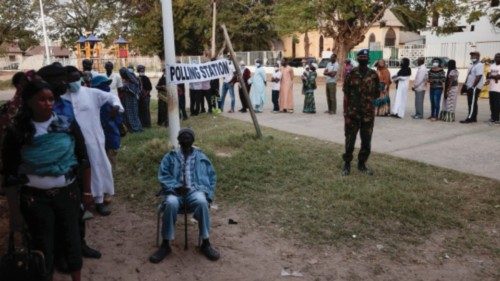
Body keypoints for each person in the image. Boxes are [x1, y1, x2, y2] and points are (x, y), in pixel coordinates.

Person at [2, 81, 90, 281]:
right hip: (34, 200)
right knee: (43, 245)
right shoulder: (17, 132)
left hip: (67, 194)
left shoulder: (67, 124)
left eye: (51, 99)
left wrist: (87, 191)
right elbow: (9, 173)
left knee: (72, 240)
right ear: (29, 102)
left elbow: (83, 159)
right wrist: (14, 211)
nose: (48, 103)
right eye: (42, 99)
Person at [149, 128, 220, 263]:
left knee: (202, 202)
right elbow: (163, 175)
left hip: (195, 190)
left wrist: (209, 195)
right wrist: (175, 186)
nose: (185, 140)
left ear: (193, 140)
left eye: (188, 137)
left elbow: (212, 176)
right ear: (178, 140)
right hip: (175, 192)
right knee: (170, 203)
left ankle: (206, 243)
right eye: (183, 137)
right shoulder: (170, 156)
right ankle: (166, 244)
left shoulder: (201, 157)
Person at [63, 65, 123, 215]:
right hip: (70, 142)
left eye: (76, 78)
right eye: (70, 80)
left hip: (92, 139)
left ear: (81, 78)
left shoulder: (92, 93)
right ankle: (78, 205)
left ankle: (99, 201)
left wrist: (116, 107)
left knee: (97, 168)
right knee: (75, 171)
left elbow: (112, 97)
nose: (74, 82)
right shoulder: (61, 98)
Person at [341, 49, 380, 176]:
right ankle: (347, 164)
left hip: (368, 115)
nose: (363, 59)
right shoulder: (351, 73)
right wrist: (346, 114)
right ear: (358, 59)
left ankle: (362, 164)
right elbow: (346, 95)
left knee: (366, 141)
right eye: (361, 57)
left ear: (368, 60)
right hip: (352, 114)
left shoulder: (374, 75)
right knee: (350, 141)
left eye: (365, 57)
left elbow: (376, 94)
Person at [90, 75, 123, 167]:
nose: (107, 87)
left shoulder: (110, 99)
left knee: (111, 154)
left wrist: (115, 110)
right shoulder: (93, 101)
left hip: (111, 133)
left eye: (107, 85)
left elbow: (119, 110)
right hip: (100, 134)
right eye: (104, 85)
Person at [460, 51, 484, 123]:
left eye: (474, 56)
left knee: (472, 103)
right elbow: (469, 76)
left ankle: (470, 118)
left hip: (474, 87)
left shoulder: (479, 65)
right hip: (469, 86)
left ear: (478, 57)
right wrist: (465, 84)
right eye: (471, 56)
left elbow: (479, 76)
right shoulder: (471, 65)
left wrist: (473, 86)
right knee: (471, 102)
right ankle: (473, 118)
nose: (472, 57)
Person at [119, 67, 143, 132]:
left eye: (122, 74)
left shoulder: (133, 81)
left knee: (134, 114)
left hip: (132, 100)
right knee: (128, 114)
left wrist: (126, 88)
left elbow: (135, 91)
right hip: (126, 100)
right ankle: (131, 127)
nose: (121, 75)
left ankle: (136, 128)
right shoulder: (125, 81)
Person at [487, 53, 500, 124]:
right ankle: (492, 117)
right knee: (491, 104)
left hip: (498, 89)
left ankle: (497, 119)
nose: (497, 58)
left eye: (499, 57)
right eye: (496, 57)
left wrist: (492, 76)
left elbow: (498, 77)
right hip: (491, 88)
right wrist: (492, 77)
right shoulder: (492, 66)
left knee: (497, 104)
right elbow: (488, 75)